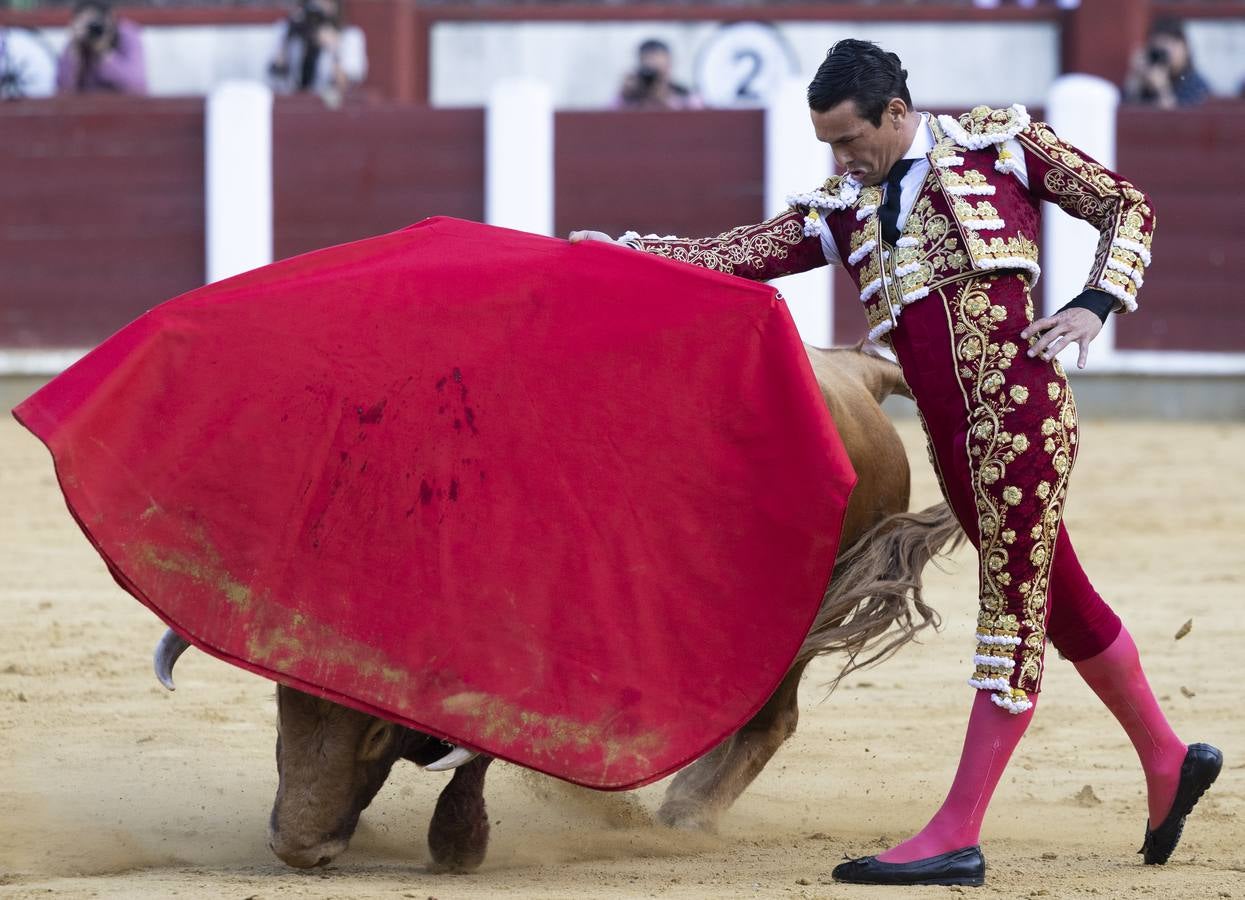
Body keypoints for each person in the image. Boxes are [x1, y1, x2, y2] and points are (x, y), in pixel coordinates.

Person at [571, 38, 1221, 888]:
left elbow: (1124, 205)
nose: (841, 159)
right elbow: (735, 255)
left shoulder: (999, 145)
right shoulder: (841, 206)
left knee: (1009, 623)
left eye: (850, 140)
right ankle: (1168, 763)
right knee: (1061, 601)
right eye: (829, 146)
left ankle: (957, 831)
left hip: (1017, 418)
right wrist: (622, 250)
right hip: (949, 443)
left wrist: (1094, 304)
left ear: (897, 114)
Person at [267, 0, 364, 101]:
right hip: (294, 100)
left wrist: (334, 50)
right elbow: (276, 78)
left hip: (326, 103)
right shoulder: (290, 32)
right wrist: (287, 40)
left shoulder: (349, 37)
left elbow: (345, 87)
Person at [55, 0, 146, 96]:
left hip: (123, 108)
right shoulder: (76, 41)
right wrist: (74, 50)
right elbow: (63, 92)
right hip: (87, 108)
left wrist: (103, 52)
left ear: (109, 19)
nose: (90, 30)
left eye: (94, 24)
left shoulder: (126, 34)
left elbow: (136, 87)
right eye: (86, 24)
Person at [1124, 16, 1211, 109]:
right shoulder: (1145, 79)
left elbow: (1179, 119)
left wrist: (1162, 88)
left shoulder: (1194, 83)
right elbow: (1127, 110)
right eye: (1161, 46)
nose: (1168, 52)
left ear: (1186, 48)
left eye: (1173, 45)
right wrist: (1135, 78)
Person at [616, 38, 701, 111]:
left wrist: (663, 99)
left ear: (669, 64)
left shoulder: (686, 97)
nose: (651, 65)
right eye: (647, 61)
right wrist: (624, 96)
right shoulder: (632, 98)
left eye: (657, 61)